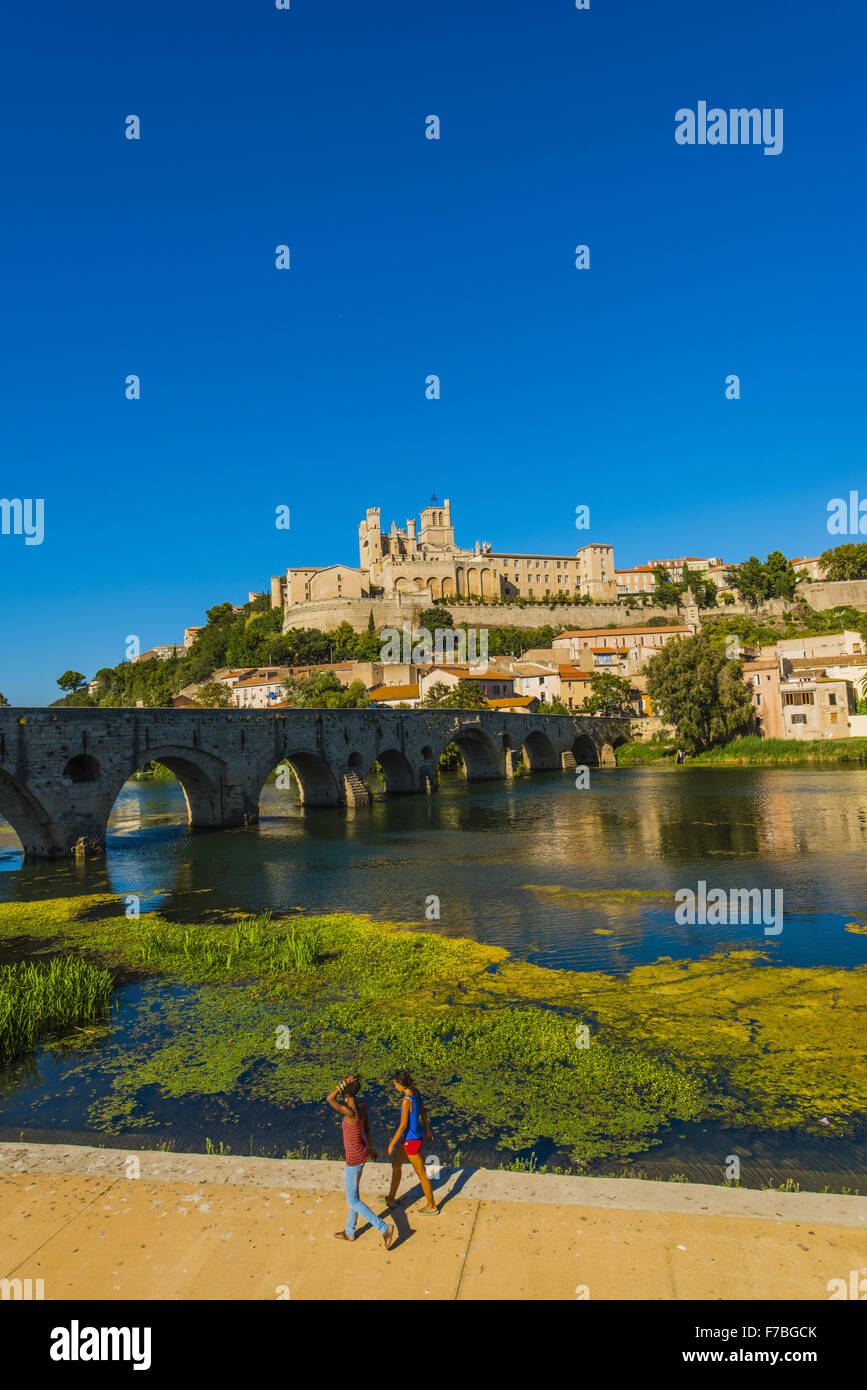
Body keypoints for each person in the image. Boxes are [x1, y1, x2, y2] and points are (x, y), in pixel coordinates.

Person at [326, 1073, 395, 1248]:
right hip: (362, 1153)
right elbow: (367, 1128)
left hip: (354, 1160)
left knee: (353, 1200)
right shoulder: (362, 1107)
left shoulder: (349, 1112)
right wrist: (371, 1147)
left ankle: (384, 1228)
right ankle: (350, 1231)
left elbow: (329, 1098)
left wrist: (343, 1083)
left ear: (346, 1094)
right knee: (353, 1197)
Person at [384, 1070, 438, 1214]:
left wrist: (391, 1143)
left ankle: (431, 1206)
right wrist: (427, 1130)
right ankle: (390, 1198)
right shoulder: (416, 1092)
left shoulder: (406, 1100)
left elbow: (402, 1125)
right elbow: (423, 1112)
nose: (395, 1087)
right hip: (409, 1139)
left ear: (401, 1085)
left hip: (411, 1141)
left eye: (396, 1085)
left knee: (421, 1173)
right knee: (396, 1164)